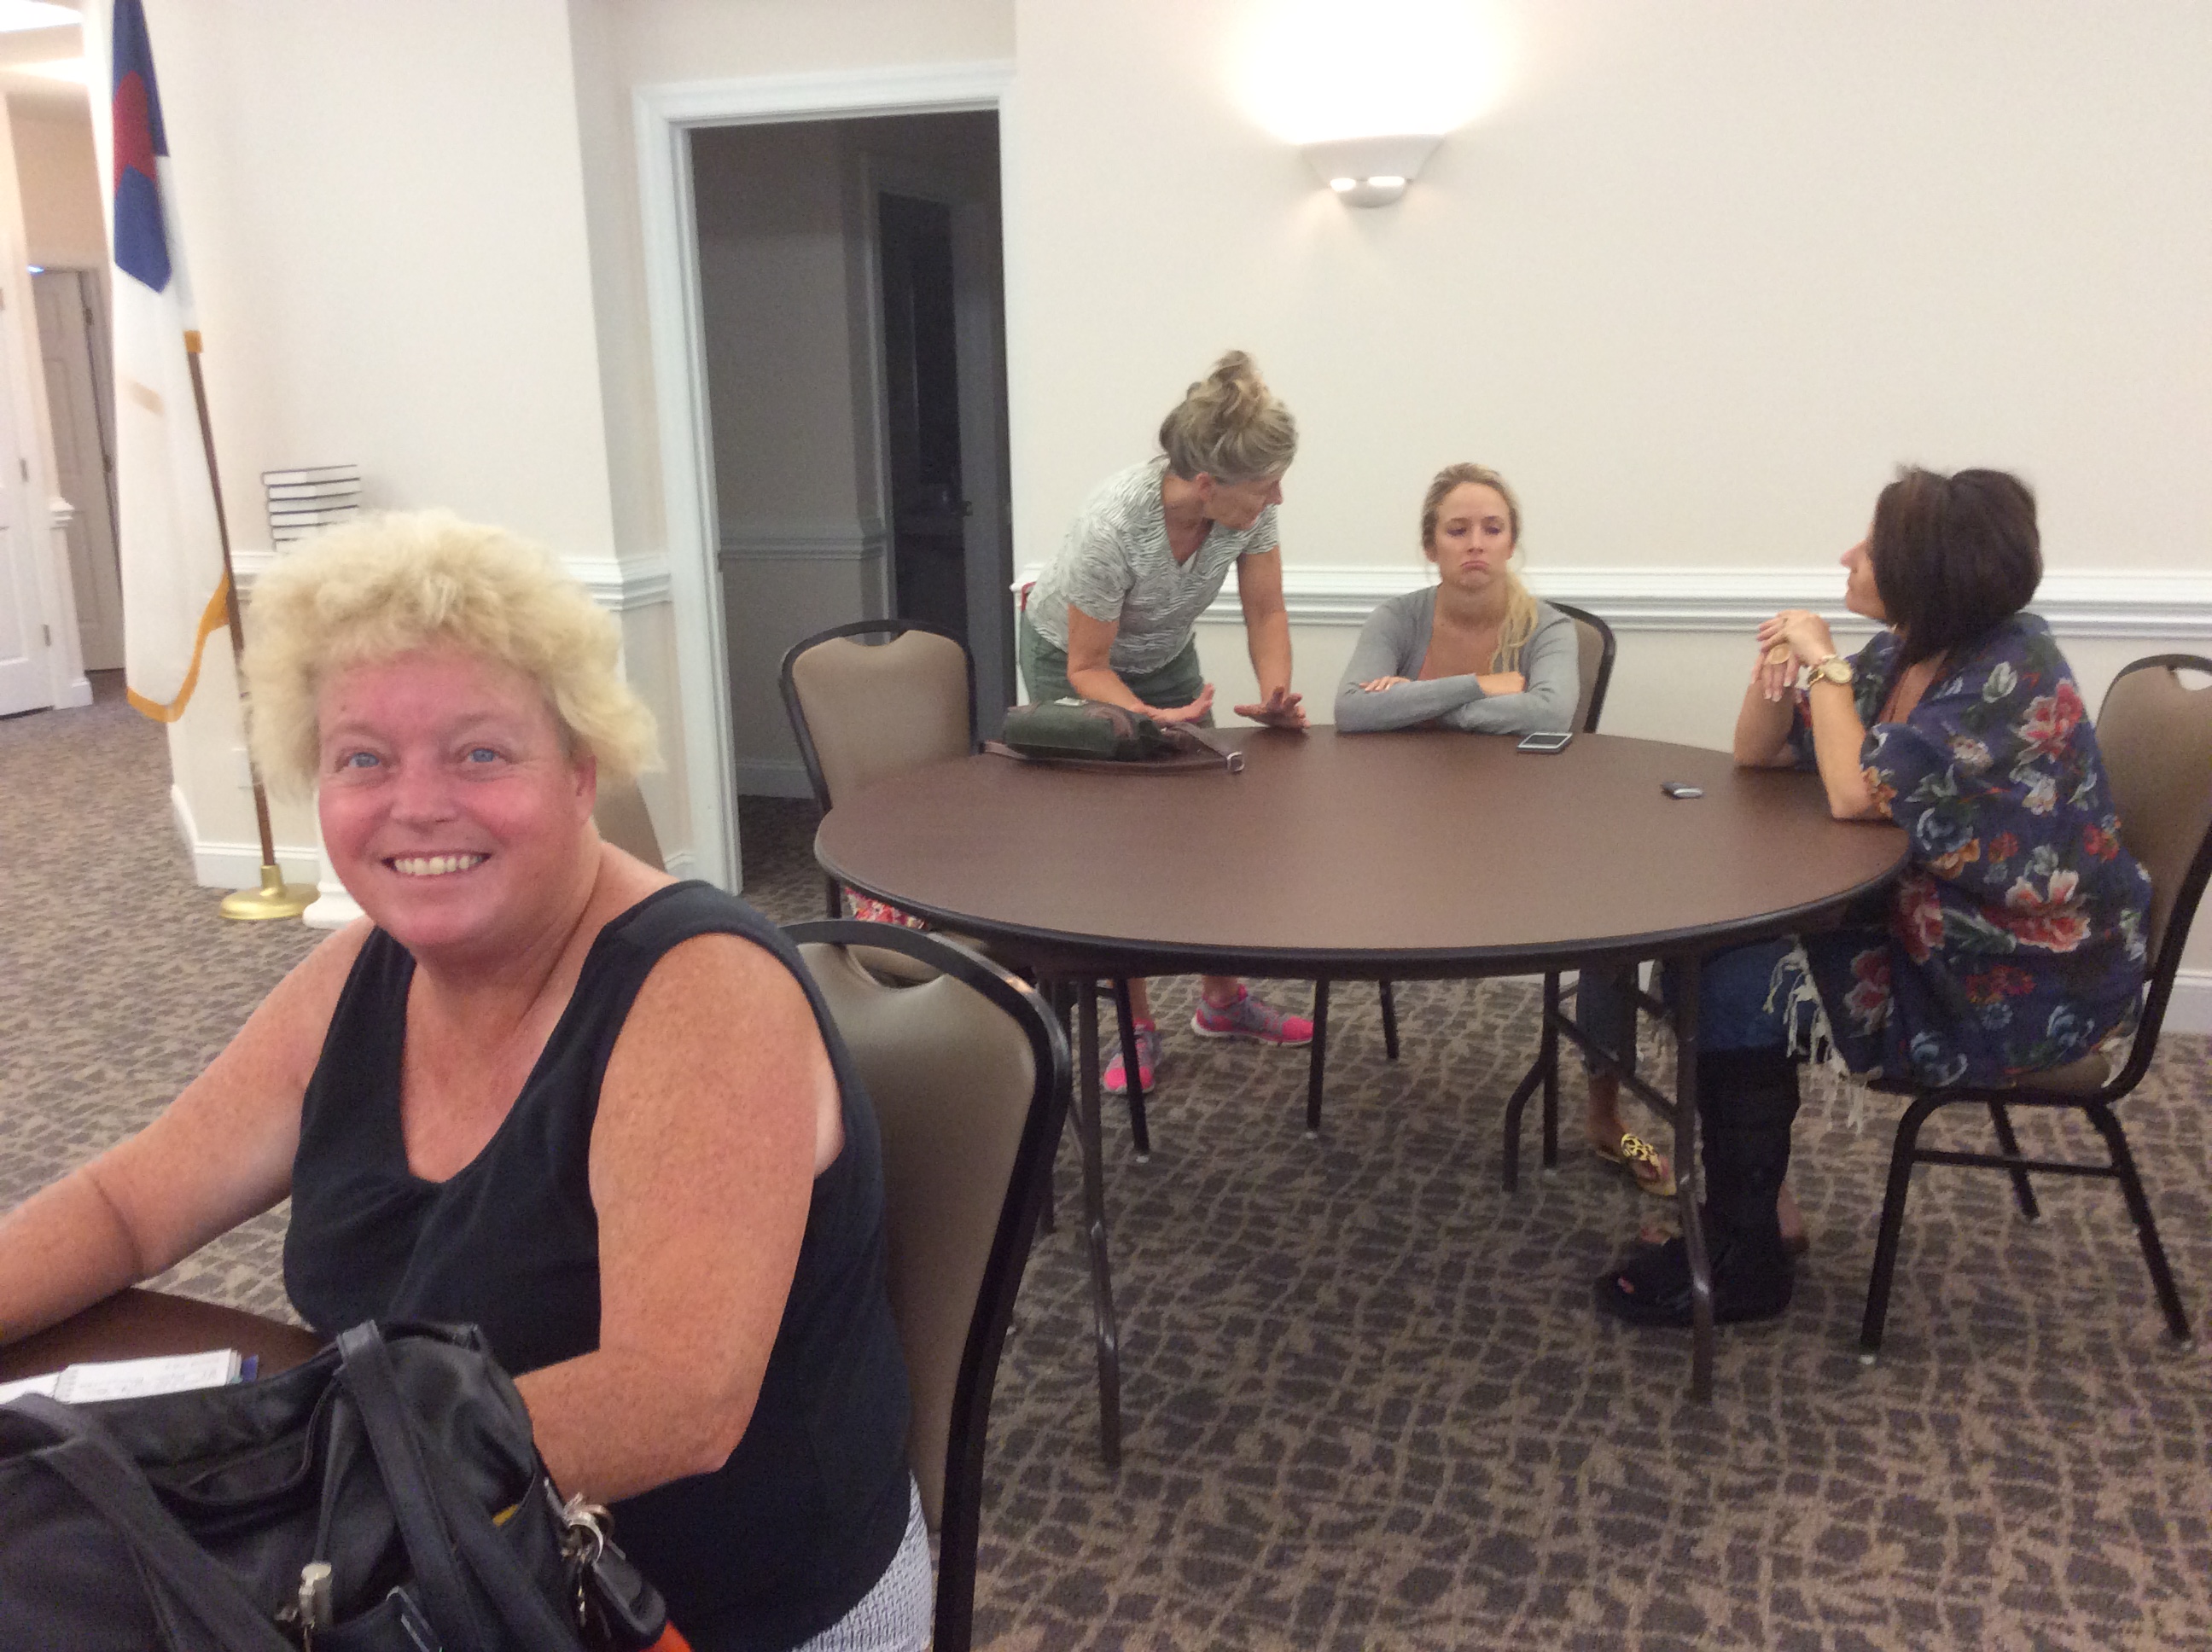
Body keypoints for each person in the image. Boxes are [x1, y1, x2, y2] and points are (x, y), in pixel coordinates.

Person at [0, 514, 927, 1652]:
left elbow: (678, 1401)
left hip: (714, 1606)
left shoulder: (703, 994)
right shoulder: (364, 973)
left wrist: (274, 1473)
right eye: (363, 759)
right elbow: (129, 1205)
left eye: (480, 753)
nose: (417, 804)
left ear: (579, 772)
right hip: (436, 1555)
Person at [1597, 468, 2152, 1327]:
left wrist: (1822, 662)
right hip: (1940, 924)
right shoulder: (1911, 651)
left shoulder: (2010, 672)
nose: (1848, 556)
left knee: (1731, 980)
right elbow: (1758, 754)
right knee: (1707, 952)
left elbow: (1856, 793)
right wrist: (1780, 666)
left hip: (2014, 972)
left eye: (1872, 545)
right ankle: (1755, 1212)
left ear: (1930, 570)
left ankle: (1746, 1261)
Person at [1336, 463, 1669, 1194]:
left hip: (1526, 835)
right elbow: (1354, 711)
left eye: (1492, 529)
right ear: (1431, 545)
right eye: (1457, 530)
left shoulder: (1546, 626)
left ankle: (1605, 1114)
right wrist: (1481, 686)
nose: (1476, 544)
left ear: (1512, 541)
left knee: (1613, 926)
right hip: (1404, 834)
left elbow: (1551, 713)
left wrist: (1417, 702)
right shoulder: (1398, 619)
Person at [1020, 350, 1313, 1092]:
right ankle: (1136, 1025)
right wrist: (1148, 721)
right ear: (1207, 484)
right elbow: (1088, 666)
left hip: (1165, 656)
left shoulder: (1248, 510)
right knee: (1121, 840)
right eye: (1266, 483)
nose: (1278, 495)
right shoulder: (1113, 524)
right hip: (1072, 661)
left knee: (1202, 825)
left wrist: (1275, 695)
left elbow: (1266, 611)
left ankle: (1223, 1000)